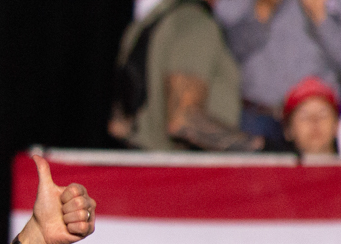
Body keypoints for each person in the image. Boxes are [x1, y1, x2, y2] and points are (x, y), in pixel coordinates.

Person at [109, 0, 263, 151]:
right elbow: (184, 122)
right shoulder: (195, 23)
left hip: (145, 163)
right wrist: (258, 147)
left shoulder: (146, 23)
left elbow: (119, 125)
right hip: (182, 170)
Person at [214, 0, 341, 146]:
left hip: (318, 119)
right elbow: (230, 50)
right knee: (256, 168)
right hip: (260, 116)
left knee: (322, 169)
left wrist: (321, 19)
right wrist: (263, 10)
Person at [282, 76, 341, 156]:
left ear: (336, 124)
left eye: (323, 114)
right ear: (288, 129)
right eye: (304, 116)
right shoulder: (268, 167)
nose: (314, 121)